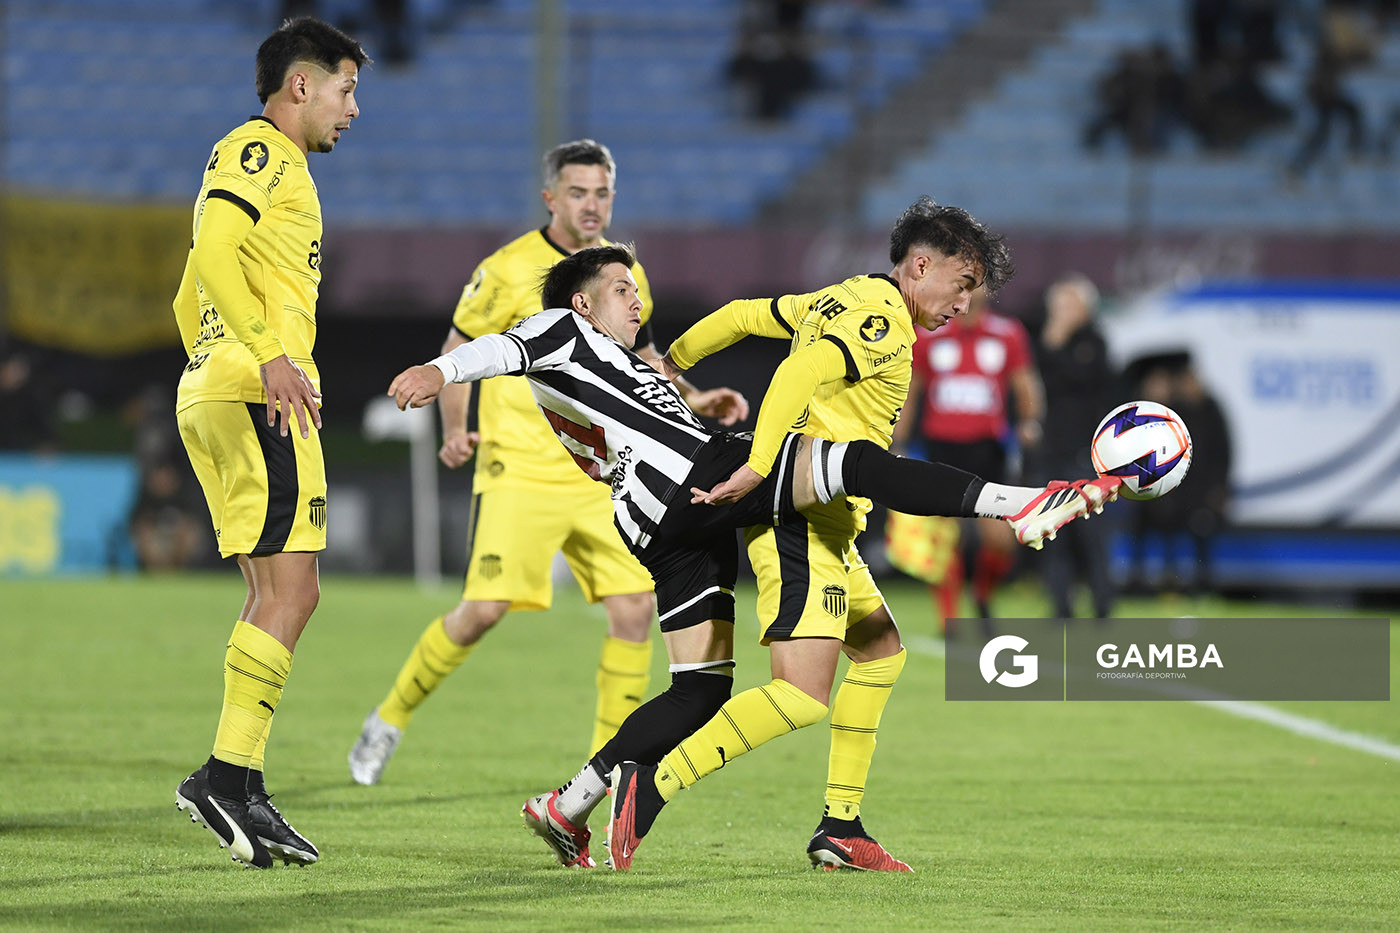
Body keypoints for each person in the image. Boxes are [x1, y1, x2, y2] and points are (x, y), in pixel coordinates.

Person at [385, 241, 1120, 871]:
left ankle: (567, 805)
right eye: (620, 290)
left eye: (637, 289)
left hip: (664, 521)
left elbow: (648, 401)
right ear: (582, 302)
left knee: (701, 689)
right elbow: (501, 349)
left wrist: (693, 397)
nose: (636, 300)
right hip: (695, 481)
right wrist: (436, 372)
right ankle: (1017, 503)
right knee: (852, 463)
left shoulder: (619, 364)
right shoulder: (560, 330)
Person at [593, 199, 1113, 873]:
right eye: (961, 283)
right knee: (801, 694)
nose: (965, 302)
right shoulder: (882, 320)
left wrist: (670, 362)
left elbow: (743, 315)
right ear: (920, 266)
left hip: (832, 520)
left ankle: (840, 825)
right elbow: (799, 372)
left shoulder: (843, 297)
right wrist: (758, 464)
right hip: (802, 516)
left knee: (882, 652)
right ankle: (653, 784)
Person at [347, 140, 749, 787]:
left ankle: (602, 773)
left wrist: (695, 398)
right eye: (578, 192)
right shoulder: (506, 268)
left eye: (602, 193)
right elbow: (461, 346)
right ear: (551, 198)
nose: (591, 205)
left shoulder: (623, 272)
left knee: (632, 610)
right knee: (481, 612)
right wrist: (457, 427)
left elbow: (641, 365)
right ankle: (388, 719)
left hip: (606, 477)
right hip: (520, 469)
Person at [171, 17, 368, 869]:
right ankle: (224, 776)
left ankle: (240, 784)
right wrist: (266, 353)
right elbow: (210, 248)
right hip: (261, 391)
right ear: (301, 84)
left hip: (226, 383)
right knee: (295, 590)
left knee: (275, 590)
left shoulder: (263, 165)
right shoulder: (261, 152)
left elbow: (187, 293)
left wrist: (215, 358)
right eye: (346, 90)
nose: (352, 109)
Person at [892, 284, 1044, 626]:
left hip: (988, 449)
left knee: (1001, 541)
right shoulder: (929, 334)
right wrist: (898, 440)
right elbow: (911, 390)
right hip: (941, 447)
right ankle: (949, 620)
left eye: (979, 281)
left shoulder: (1007, 333)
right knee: (944, 539)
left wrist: (1030, 421)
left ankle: (982, 594)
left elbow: (1025, 383)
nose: (972, 290)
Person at [1033, 273, 1117, 618]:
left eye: (1069, 304)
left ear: (1086, 308)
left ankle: (1103, 610)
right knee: (1053, 535)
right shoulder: (1039, 344)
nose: (1061, 312)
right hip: (1049, 454)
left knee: (1092, 538)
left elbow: (1082, 379)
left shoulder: (1094, 343)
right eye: (1058, 305)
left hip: (1087, 456)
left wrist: (1055, 345)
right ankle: (1061, 610)